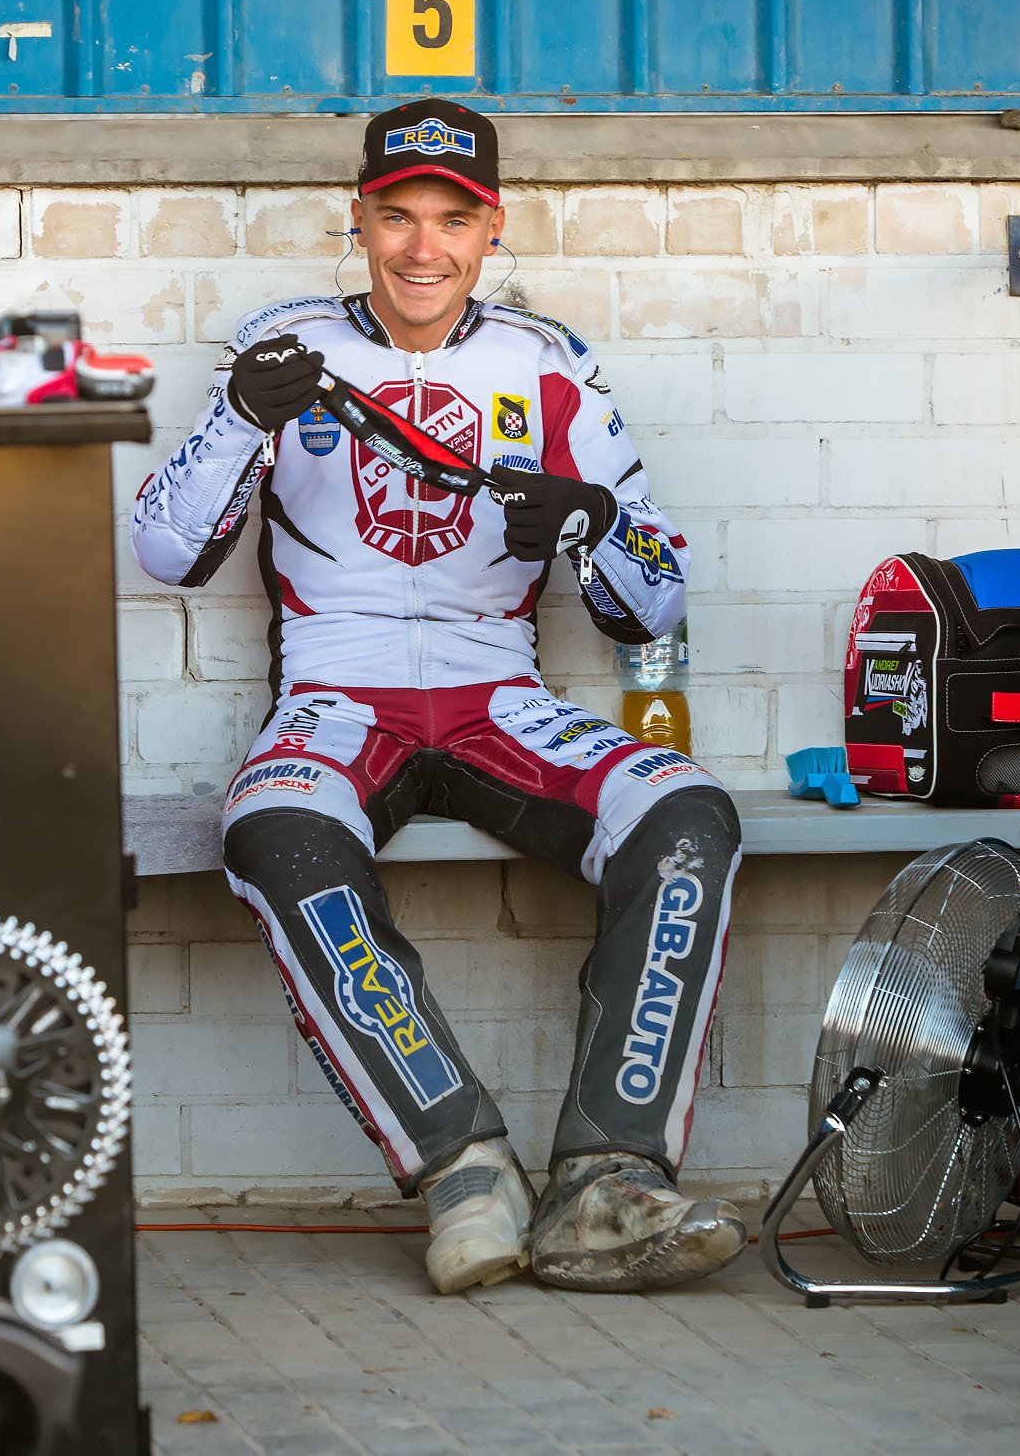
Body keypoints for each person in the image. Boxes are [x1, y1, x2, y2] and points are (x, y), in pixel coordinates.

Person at [129, 99, 746, 1295]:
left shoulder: (548, 363)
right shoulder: (287, 340)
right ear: (356, 218)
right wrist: (237, 415)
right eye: (397, 216)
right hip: (335, 695)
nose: (424, 248)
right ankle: (463, 1168)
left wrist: (591, 522)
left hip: (495, 695)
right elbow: (164, 549)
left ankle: (608, 1181)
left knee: (686, 816)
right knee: (274, 828)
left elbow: (656, 600)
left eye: (452, 219)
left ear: (493, 226)